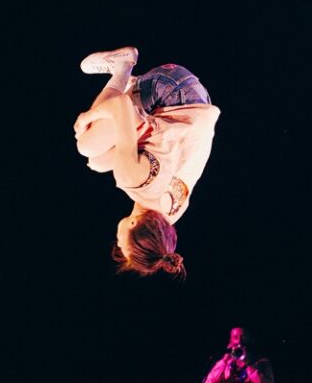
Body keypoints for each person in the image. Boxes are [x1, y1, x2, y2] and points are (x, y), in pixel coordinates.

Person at [74, 46, 220, 277]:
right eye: (123, 246)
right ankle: (123, 67)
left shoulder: (170, 215)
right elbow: (119, 105)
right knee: (87, 144)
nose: (118, 244)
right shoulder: (131, 179)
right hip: (171, 87)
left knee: (99, 162)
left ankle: (136, 88)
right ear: (133, 226)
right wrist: (87, 118)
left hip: (195, 100)